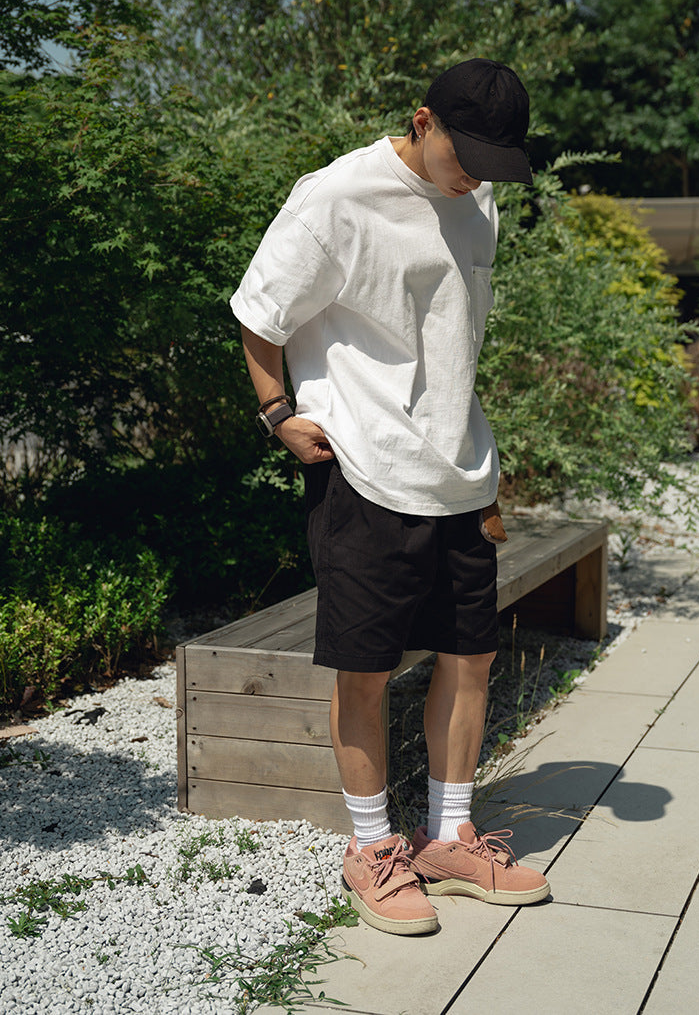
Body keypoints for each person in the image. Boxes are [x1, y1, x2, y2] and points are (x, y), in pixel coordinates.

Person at [231, 58, 550, 936]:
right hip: (365, 469)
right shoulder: (336, 197)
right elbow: (259, 311)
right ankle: (372, 849)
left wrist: (475, 457)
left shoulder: (479, 198)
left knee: (470, 658)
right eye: (465, 155)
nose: (475, 175)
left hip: (458, 472)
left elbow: (449, 335)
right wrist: (277, 413)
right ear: (421, 120)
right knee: (366, 669)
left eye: (492, 162)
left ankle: (448, 837)